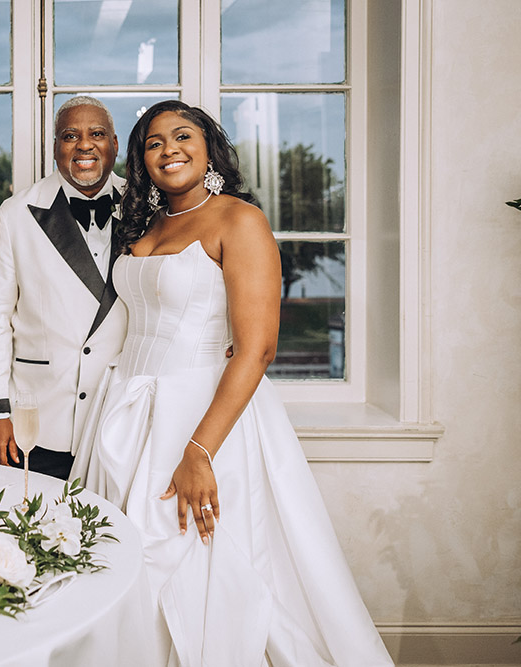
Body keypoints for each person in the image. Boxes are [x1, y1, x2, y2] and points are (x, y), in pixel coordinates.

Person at [71, 100, 394, 666]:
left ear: (209, 148)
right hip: (124, 409)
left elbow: (257, 347)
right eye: (153, 142)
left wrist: (199, 452)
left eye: (183, 136)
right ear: (142, 162)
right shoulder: (144, 225)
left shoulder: (239, 219)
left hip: (202, 415)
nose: (169, 148)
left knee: (197, 564)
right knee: (117, 563)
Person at [0, 96, 128, 480]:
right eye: (70, 136)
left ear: (115, 145)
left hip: (121, 420)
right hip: (36, 425)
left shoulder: (149, 209)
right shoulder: (15, 215)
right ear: (56, 148)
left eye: (97, 134)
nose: (84, 145)